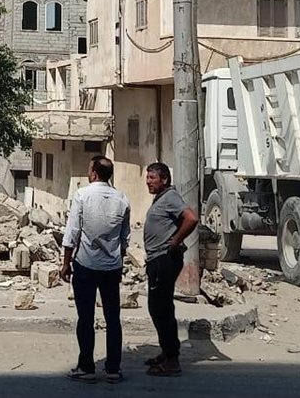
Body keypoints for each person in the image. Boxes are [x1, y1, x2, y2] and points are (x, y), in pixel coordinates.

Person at [61, 155, 131, 384]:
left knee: (85, 318)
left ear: (94, 173)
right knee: (113, 319)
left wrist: (65, 263)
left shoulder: (82, 195)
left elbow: (72, 232)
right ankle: (113, 369)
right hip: (111, 267)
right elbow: (125, 238)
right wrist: (118, 261)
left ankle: (86, 367)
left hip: (86, 265)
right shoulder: (122, 199)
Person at [142, 161, 199, 378]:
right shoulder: (162, 198)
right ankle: (167, 352)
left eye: (152, 178)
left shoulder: (171, 197)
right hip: (158, 260)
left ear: (164, 179)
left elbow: (191, 218)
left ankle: (172, 360)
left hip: (163, 260)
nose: (148, 182)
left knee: (161, 309)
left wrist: (175, 241)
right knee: (159, 307)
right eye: (147, 178)